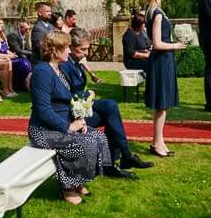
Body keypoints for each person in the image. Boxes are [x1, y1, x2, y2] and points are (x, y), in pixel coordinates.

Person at [29, 31, 111, 205]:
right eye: (66, 47)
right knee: (86, 144)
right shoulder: (42, 71)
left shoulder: (58, 69)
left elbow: (67, 101)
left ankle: (78, 180)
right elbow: (43, 110)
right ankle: (67, 188)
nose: (69, 51)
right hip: (43, 130)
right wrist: (68, 127)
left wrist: (78, 121)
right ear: (55, 50)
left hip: (60, 124)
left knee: (99, 137)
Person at [65, 28, 151, 173]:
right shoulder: (65, 65)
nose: (86, 53)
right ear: (70, 48)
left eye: (87, 49)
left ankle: (121, 157)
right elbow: (69, 95)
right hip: (72, 116)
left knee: (110, 106)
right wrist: (88, 96)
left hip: (83, 106)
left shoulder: (76, 62)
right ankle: (118, 160)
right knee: (110, 113)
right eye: (82, 50)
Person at [142, 0, 185, 158]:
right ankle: (157, 143)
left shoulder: (151, 12)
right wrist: (176, 45)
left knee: (161, 105)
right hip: (161, 60)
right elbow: (157, 43)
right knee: (162, 105)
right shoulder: (157, 13)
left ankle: (158, 141)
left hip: (161, 60)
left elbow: (151, 41)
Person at [0, 18, 32, 92]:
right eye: (26, 29)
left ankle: (31, 83)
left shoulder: (25, 34)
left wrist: (33, 53)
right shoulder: (13, 35)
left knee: (34, 60)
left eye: (29, 29)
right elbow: (17, 50)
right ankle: (21, 85)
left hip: (21, 56)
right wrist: (31, 53)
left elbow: (27, 48)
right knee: (24, 63)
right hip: (12, 56)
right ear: (20, 28)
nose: (28, 31)